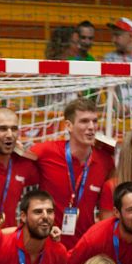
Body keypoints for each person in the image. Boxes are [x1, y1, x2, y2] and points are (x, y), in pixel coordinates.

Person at [33, 98, 115, 250]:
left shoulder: (105, 161)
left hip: (85, 248)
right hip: (47, 246)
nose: (91, 127)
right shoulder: (45, 152)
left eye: (94, 121)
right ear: (68, 126)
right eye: (84, 121)